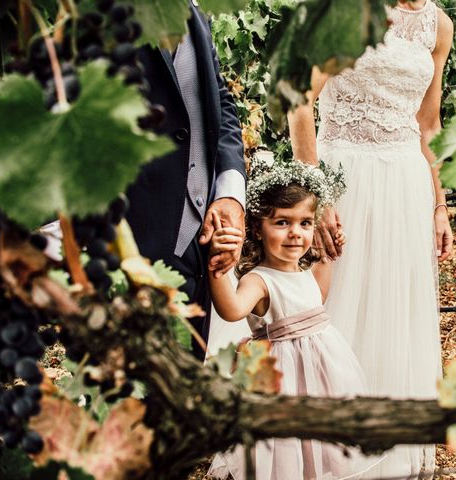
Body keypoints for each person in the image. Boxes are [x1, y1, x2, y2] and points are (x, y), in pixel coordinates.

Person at [287, 0, 454, 477]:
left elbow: (429, 125)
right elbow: (299, 96)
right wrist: (314, 194)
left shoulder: (438, 25)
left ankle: (387, 451)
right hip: (345, 178)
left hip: (407, 186)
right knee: (333, 309)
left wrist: (439, 205)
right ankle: (318, 449)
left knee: (394, 311)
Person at [206, 157, 383, 480]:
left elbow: (319, 297)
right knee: (282, 452)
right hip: (280, 382)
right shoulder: (259, 280)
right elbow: (232, 309)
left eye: (304, 223)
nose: (295, 234)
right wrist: (217, 268)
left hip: (322, 377)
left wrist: (328, 255)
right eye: (282, 222)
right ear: (258, 229)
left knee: (314, 447)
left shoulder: (304, 273)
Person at [126, 1, 246, 360]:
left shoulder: (196, 13)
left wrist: (229, 194)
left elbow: (220, 103)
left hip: (198, 246)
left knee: (185, 394)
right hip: (130, 242)